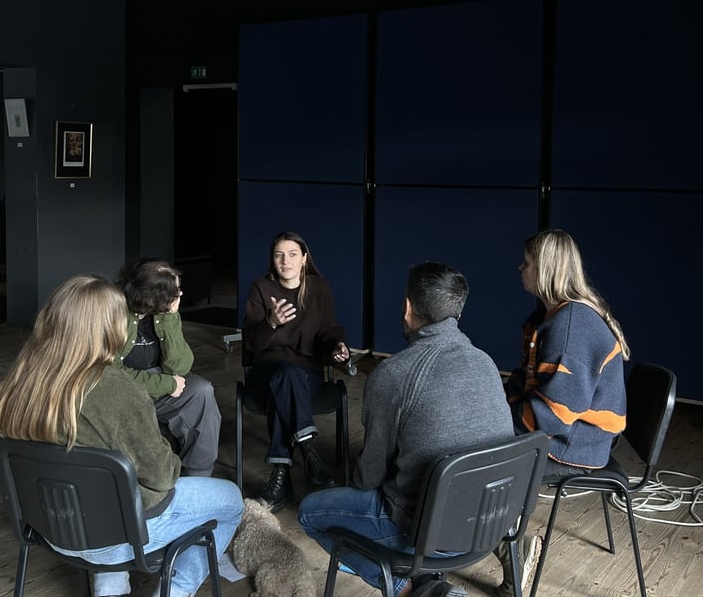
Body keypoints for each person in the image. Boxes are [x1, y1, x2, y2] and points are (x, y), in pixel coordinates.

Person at [0, 274, 243, 597]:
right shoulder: (116, 388)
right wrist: (167, 451)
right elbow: (162, 478)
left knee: (104, 484)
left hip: (48, 525)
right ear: (110, 327)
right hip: (116, 537)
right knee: (231, 500)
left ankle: (110, 587)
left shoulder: (21, 382)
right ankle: (174, 591)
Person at [298, 262, 519, 597]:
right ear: (457, 310)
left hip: (427, 533)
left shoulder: (393, 374)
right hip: (492, 525)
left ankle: (406, 590)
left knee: (309, 514)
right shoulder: (487, 363)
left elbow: (369, 477)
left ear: (407, 307)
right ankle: (431, 586)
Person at [507, 228, 630, 478]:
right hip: (561, 434)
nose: (520, 268)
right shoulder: (544, 318)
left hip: (572, 446)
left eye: (526, 263)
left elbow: (555, 414)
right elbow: (528, 379)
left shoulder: (571, 328)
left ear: (545, 270)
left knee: (479, 460)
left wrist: (500, 423)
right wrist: (497, 404)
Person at [242, 230, 350, 511]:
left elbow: (329, 331)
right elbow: (251, 344)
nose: (285, 261)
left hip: (306, 373)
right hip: (266, 371)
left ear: (304, 259)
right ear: (272, 260)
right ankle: (309, 450)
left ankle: (280, 478)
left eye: (292, 254)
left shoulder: (319, 288)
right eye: (279, 255)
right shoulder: (261, 288)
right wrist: (271, 323)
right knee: (284, 376)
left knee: (287, 381)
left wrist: (337, 347)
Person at [114, 257, 221, 477]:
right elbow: (110, 375)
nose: (180, 294)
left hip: (161, 382)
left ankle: (199, 478)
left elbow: (181, 366)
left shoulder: (163, 313)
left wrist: (169, 318)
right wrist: (167, 384)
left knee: (202, 391)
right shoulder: (114, 314)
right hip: (125, 390)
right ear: (151, 296)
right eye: (175, 291)